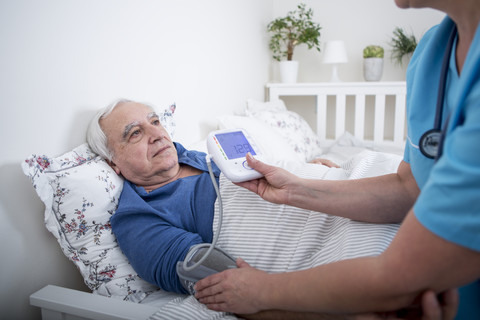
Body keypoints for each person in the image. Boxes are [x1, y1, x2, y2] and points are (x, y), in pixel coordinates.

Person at [194, 1, 480, 319]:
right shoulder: (432, 54)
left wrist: (260, 292)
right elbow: (410, 187)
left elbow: (398, 278)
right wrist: (296, 189)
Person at [87, 99, 456, 320]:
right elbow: (224, 286)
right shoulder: (137, 218)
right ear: (113, 163)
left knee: (443, 189)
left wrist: (314, 168)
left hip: (358, 186)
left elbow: (275, 169)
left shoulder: (199, 155)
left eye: (155, 121)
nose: (157, 134)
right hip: (331, 238)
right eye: (134, 133)